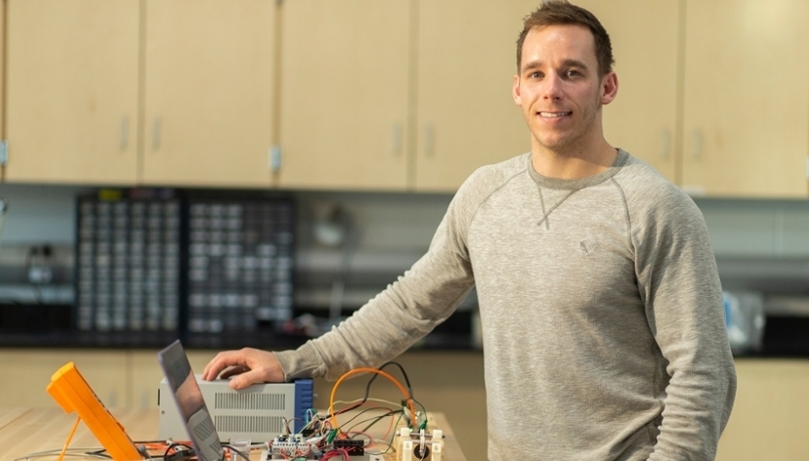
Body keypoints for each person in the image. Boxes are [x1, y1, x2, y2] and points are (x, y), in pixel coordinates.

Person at [202, 1, 737, 459]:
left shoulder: (655, 208)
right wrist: (293, 362)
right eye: (536, 73)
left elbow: (704, 374)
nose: (552, 90)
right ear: (517, 89)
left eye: (572, 72)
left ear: (607, 86)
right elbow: (409, 306)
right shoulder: (485, 194)